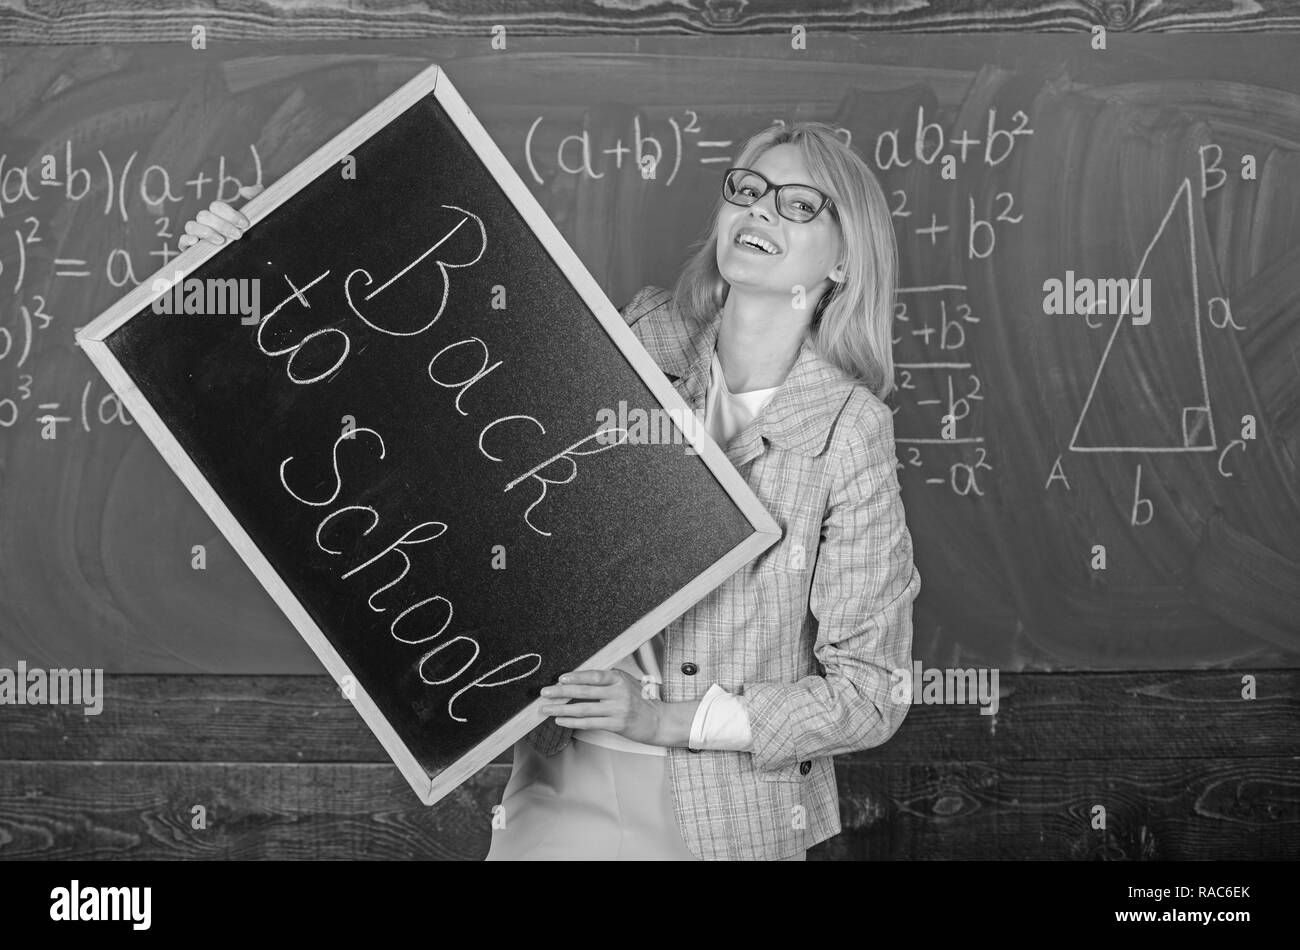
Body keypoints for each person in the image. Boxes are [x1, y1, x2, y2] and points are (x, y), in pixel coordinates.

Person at [178, 119, 919, 862]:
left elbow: (871, 692)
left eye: (797, 204)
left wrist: (669, 720)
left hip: (732, 820)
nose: (759, 209)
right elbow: (414, 381)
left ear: (846, 262)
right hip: (559, 780)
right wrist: (254, 272)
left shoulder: (848, 431)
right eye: (748, 190)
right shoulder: (635, 337)